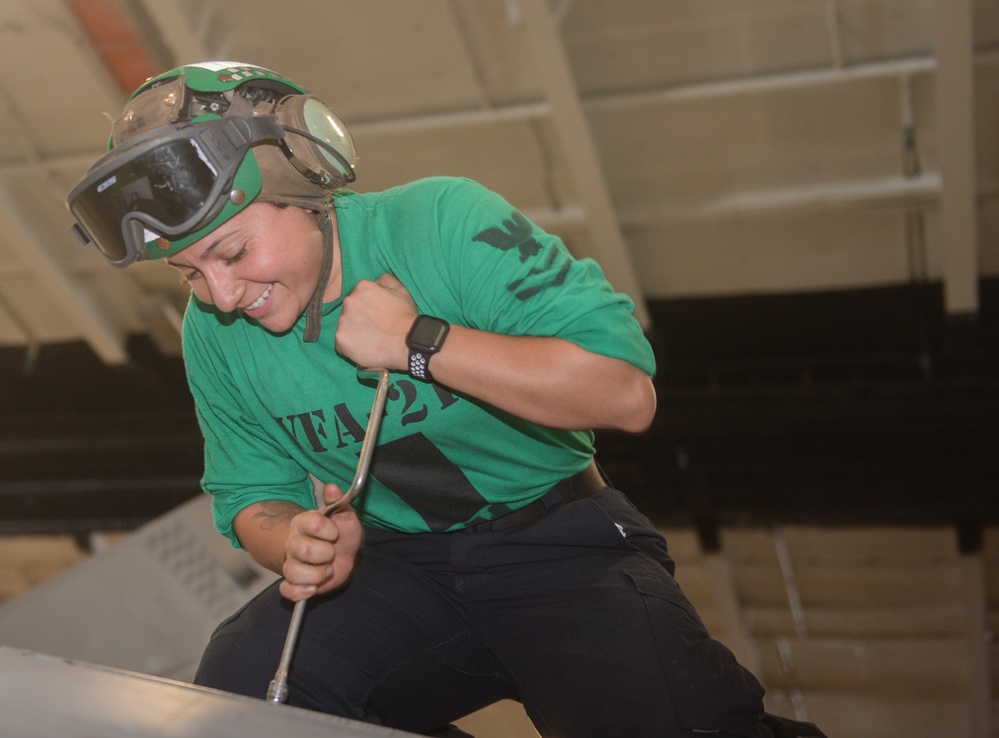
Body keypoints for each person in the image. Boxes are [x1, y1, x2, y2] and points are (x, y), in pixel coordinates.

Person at [67, 61, 825, 738]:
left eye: (231, 253)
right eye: (190, 275)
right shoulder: (213, 334)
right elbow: (250, 497)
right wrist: (295, 539)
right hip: (397, 569)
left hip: (558, 544)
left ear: (302, 185)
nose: (221, 295)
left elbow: (623, 395)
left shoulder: (439, 223)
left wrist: (419, 342)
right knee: (245, 690)